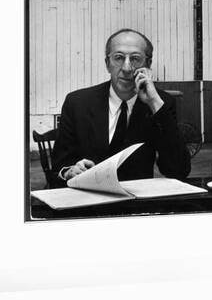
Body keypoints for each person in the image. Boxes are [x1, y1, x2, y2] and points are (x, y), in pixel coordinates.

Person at [50, 28, 191, 186]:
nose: (126, 67)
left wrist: (155, 104)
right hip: (89, 198)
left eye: (135, 59)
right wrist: (70, 172)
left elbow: (179, 170)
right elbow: (58, 169)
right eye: (118, 58)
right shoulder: (77, 103)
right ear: (107, 64)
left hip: (137, 202)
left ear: (148, 64)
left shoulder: (161, 102)